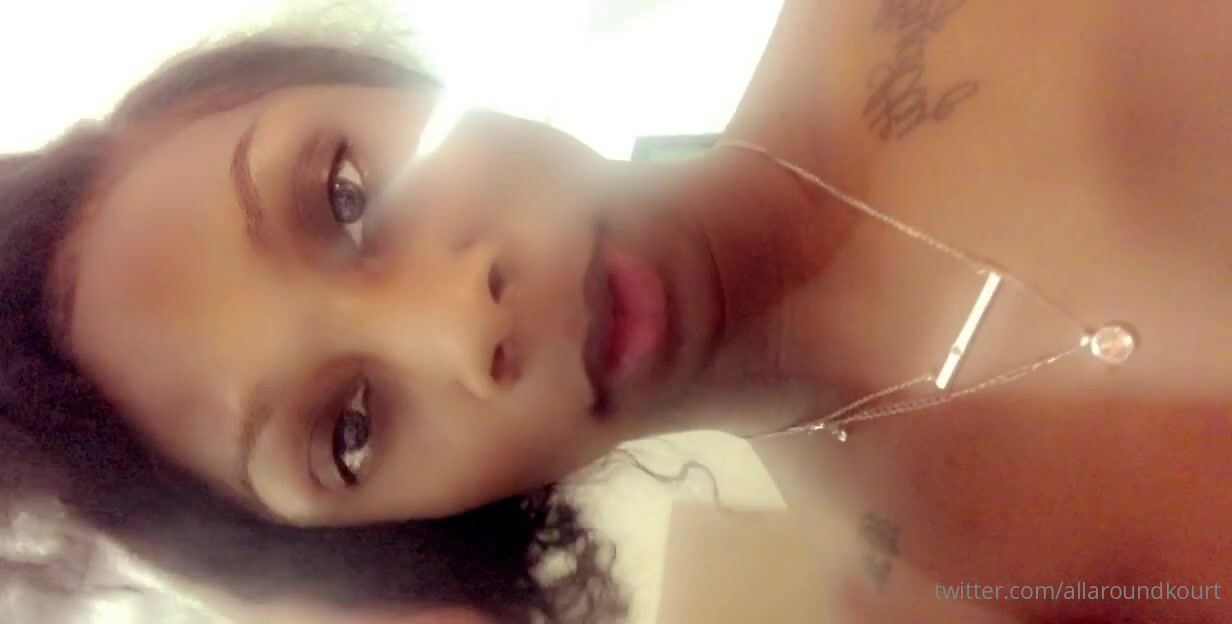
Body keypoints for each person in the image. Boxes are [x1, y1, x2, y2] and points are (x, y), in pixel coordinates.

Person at [4, 1, 1232, 623]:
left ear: (370, 78)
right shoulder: (940, 601)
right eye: (350, 432)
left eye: (342, 194)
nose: (460, 330)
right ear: (406, 536)